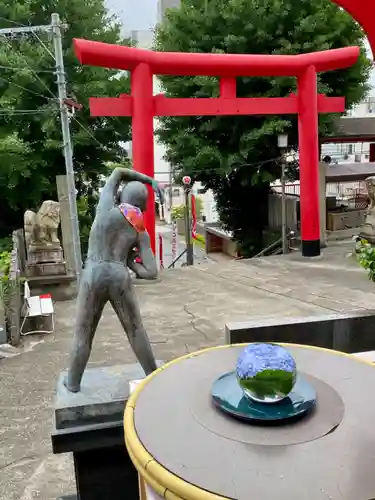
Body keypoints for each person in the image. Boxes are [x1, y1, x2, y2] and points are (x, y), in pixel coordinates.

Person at [64, 167, 164, 393]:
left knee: (83, 332)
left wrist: (149, 180)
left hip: (94, 272)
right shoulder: (140, 230)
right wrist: (130, 262)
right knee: (136, 329)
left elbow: (118, 171)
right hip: (119, 275)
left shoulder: (106, 206)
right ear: (143, 206)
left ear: (121, 196)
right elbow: (151, 272)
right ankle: (153, 376)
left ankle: (72, 383)